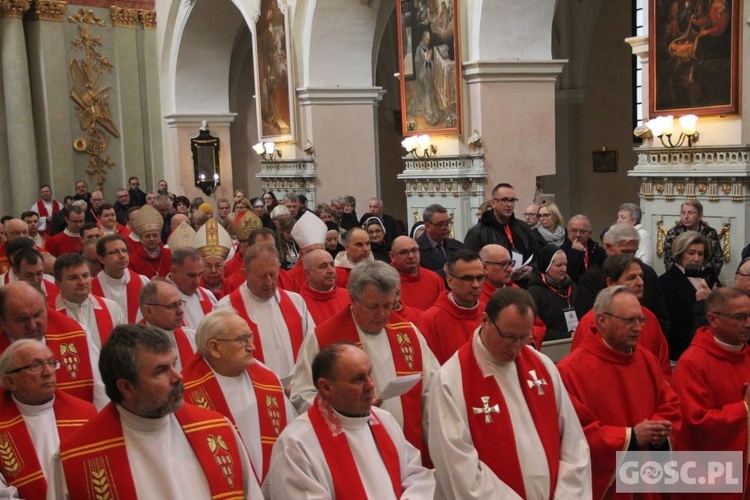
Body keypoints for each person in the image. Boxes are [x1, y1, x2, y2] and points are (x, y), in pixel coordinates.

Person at [51, 324, 262, 498]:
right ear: (126, 387)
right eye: (161, 370)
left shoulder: (218, 429)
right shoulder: (75, 459)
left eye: (174, 364)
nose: (178, 376)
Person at [427, 287, 591, 498]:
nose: (516, 348)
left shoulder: (542, 366)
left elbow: (573, 443)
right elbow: (456, 465)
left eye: (524, 337)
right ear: (485, 320)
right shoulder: (451, 380)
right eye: (509, 337)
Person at [289, 260, 439, 460]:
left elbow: (432, 387)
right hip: (351, 447)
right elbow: (302, 393)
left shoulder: (408, 333)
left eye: (388, 305)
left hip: (408, 448)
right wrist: (346, 410)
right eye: (373, 306)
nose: (382, 314)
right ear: (352, 298)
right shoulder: (323, 338)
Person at [558, 286, 681, 499]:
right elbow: (576, 434)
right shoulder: (571, 370)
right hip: (609, 484)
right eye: (629, 321)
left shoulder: (646, 359)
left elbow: (669, 404)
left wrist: (658, 431)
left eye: (641, 320)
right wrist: (631, 437)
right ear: (602, 320)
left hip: (647, 473)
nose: (637, 328)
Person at [267, 342, 435, 498]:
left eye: (370, 374)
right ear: (326, 387)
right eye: (358, 379)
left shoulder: (384, 421)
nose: (370, 385)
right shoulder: (297, 444)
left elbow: (415, 475)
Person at [182, 309, 296, 484]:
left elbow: (291, 435)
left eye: (250, 337)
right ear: (215, 348)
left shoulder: (268, 380)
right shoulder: (186, 393)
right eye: (242, 340)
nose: (252, 347)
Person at [672, 287, 750, 494]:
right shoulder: (692, 363)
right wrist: (744, 408)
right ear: (713, 319)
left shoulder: (747, 355)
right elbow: (695, 423)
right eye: (740, 317)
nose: (749, 324)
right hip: (711, 474)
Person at [0, 339, 97, 498]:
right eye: (35, 366)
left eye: (51, 363)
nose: (48, 372)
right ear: (10, 381)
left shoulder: (85, 414)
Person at [0, 281, 107, 408]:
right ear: (2, 320)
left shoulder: (77, 333)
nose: (32, 325)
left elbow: (101, 394)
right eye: (21, 319)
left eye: (37, 314)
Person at [216, 243, 313, 381]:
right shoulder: (226, 309)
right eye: (261, 276)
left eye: (273, 275)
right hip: (253, 391)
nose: (269, 282)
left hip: (296, 388)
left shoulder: (296, 302)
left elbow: (310, 347)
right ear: (245, 274)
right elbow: (224, 360)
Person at [572, 254, 671, 376]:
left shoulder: (649, 317)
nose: (640, 283)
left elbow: (663, 369)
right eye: (631, 278)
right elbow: (579, 368)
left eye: (641, 276)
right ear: (610, 282)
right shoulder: (592, 321)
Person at [576, 224, 670, 335]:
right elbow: (592, 324)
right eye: (625, 252)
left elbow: (662, 318)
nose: (630, 257)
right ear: (609, 248)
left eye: (634, 252)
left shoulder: (647, 273)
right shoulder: (591, 278)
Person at [464, 183, 539, 283]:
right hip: (493, 287)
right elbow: (470, 265)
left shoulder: (523, 227)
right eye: (504, 200)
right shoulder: (478, 231)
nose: (509, 204)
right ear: (493, 203)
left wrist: (532, 269)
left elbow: (537, 255)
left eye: (512, 200)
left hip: (523, 285)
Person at [419, 249, 484, 365]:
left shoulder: (489, 313)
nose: (476, 285)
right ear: (450, 281)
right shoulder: (431, 320)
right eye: (467, 279)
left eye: (479, 278)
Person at [51, 252, 126, 350]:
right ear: (58, 284)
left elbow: (126, 347)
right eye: (73, 278)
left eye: (85, 276)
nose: (82, 282)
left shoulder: (111, 308)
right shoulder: (49, 315)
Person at [658, 230, 712, 361]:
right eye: (691, 253)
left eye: (701, 254)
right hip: (680, 351)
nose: (697, 259)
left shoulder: (708, 278)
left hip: (705, 346)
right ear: (680, 255)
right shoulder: (666, 282)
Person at [139, 279, 197, 371]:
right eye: (172, 306)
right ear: (148, 311)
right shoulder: (134, 347)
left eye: (180, 303)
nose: (181, 311)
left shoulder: (192, 338)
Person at [91, 235, 150, 323]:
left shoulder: (143, 282)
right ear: (101, 259)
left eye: (124, 250)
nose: (122, 255)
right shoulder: (91, 288)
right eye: (115, 252)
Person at [527, 245, 579, 341]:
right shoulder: (534, 293)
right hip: (551, 346)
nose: (563, 269)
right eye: (559, 265)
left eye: (565, 264)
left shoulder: (573, 287)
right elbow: (535, 329)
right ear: (546, 267)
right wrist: (566, 336)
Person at [663, 199, 723, 277]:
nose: (686, 217)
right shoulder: (673, 233)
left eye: (690, 213)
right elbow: (669, 261)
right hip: (679, 278)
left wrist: (706, 278)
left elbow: (717, 259)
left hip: (705, 276)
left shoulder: (710, 233)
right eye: (683, 213)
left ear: (700, 215)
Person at [390, 235, 446, 311]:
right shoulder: (386, 281)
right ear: (392, 256)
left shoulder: (434, 279)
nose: (411, 256)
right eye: (404, 252)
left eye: (414, 250)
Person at [168, 247, 216, 330]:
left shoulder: (208, 295)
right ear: (174, 271)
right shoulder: (160, 300)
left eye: (200, 274)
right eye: (191, 275)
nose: (197, 282)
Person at [299, 248, 350, 325]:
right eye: (323, 266)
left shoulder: (348, 296)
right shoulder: (299, 303)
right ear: (308, 274)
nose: (330, 271)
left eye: (332, 265)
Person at [417, 204, 464, 278]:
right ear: (428, 226)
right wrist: (443, 273)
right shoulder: (416, 250)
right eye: (440, 224)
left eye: (447, 223)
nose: (446, 228)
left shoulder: (458, 246)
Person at [129, 204, 172, 278]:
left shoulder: (170, 254)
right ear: (141, 240)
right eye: (147, 236)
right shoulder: (132, 259)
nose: (151, 239)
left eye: (155, 235)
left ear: (160, 238)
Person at [561, 214, 605, 283]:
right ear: (567, 231)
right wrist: (575, 253)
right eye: (574, 230)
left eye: (582, 231)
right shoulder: (560, 251)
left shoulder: (599, 252)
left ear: (589, 233)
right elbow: (566, 276)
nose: (578, 235)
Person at [412, 30, 440, 126]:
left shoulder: (427, 48)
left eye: (428, 39)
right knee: (426, 93)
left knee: (431, 91)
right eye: (426, 39)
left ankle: (434, 111)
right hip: (422, 75)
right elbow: (417, 62)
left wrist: (429, 61)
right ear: (423, 39)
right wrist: (426, 62)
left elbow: (429, 62)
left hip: (427, 74)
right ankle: (429, 113)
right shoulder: (418, 49)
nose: (427, 41)